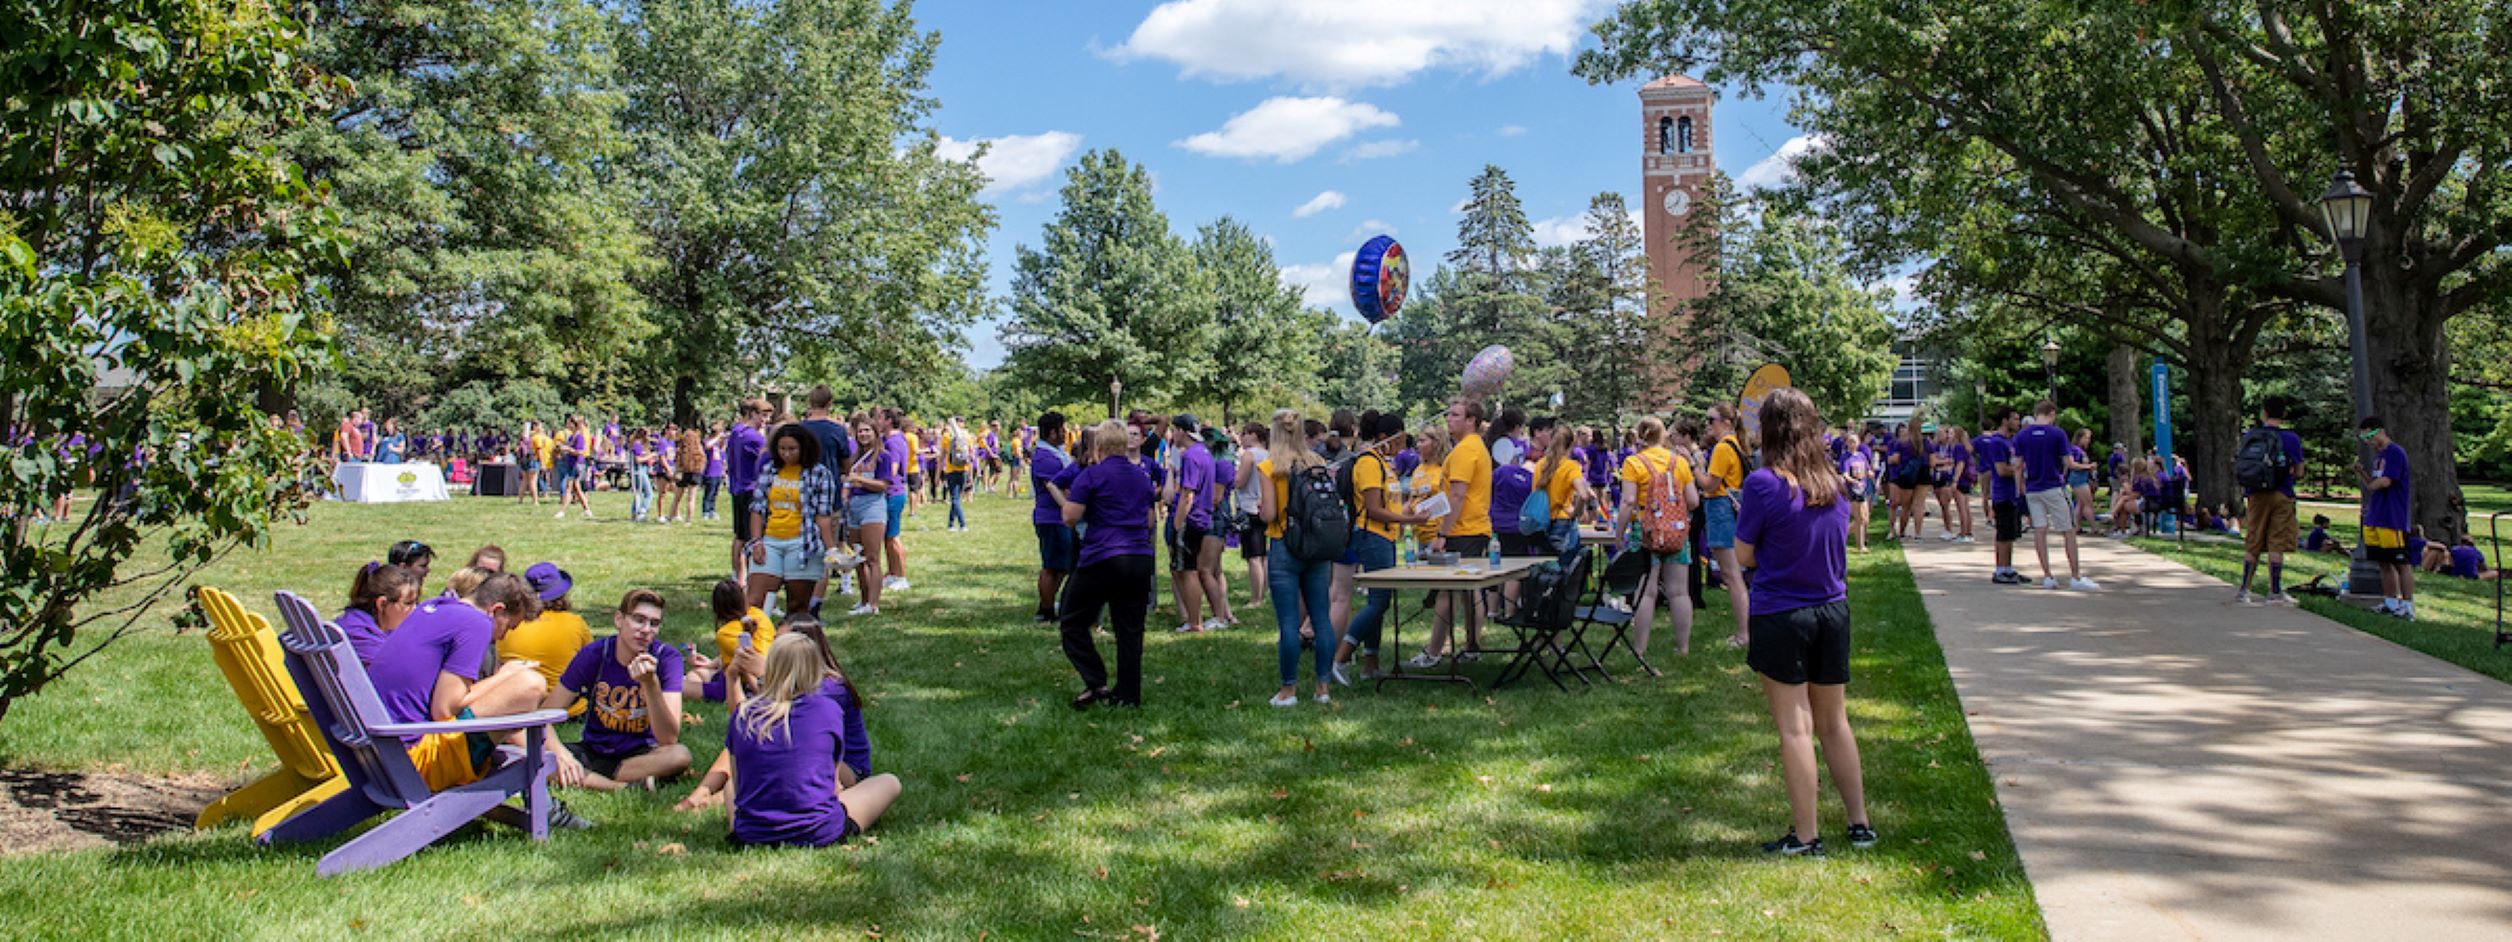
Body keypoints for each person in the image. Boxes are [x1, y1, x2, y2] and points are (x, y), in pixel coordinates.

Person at [1739, 387, 1874, 857]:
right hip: (1832, 610)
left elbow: (1743, 553)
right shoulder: (1834, 483)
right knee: (1835, 722)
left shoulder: (1763, 483)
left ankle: (1807, 835)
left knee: (1796, 728)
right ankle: (1859, 824)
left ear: (1770, 430)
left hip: (1782, 611)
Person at [365, 573, 589, 828]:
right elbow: (444, 709)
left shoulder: (436, 607)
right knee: (530, 685)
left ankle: (545, 805)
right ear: (496, 610)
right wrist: (506, 675)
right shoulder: (476, 623)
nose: (502, 638)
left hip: (381, 753)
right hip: (414, 761)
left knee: (513, 702)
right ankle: (545, 809)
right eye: (508, 627)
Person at [715, 634, 901, 847]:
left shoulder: (743, 713)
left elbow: (739, 784)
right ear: (815, 669)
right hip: (818, 831)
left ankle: (753, 828)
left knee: (729, 786)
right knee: (889, 782)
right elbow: (833, 786)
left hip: (752, 834)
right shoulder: (828, 710)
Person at [678, 614, 877, 811]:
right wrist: (734, 677)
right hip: (801, 750)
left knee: (775, 745)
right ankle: (701, 793)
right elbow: (743, 720)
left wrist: (765, 673)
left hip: (846, 768)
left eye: (781, 644)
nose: (774, 650)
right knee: (753, 734)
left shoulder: (831, 686)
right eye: (774, 642)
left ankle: (717, 796)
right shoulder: (784, 681)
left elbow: (799, 719)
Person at [539, 589, 692, 791]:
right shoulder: (595, 654)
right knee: (534, 756)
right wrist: (560, 753)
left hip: (642, 754)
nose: (646, 630)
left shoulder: (666, 658)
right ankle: (620, 786)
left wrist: (650, 684)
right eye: (639, 620)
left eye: (654, 624)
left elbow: (668, 738)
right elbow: (544, 716)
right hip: (594, 749)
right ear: (619, 620)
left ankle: (590, 777)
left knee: (680, 755)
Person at [1049, 421, 1156, 710]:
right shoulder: (1142, 477)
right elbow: (1148, 520)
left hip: (1102, 556)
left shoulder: (1091, 475)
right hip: (1139, 557)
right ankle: (1128, 696)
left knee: (1071, 620)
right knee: (1130, 629)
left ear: (1099, 446)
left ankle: (1096, 681)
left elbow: (1070, 517)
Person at [1330, 412, 1427, 683]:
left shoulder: (1385, 464)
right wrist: (1409, 520)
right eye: (1400, 437)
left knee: (1380, 600)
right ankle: (1341, 657)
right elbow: (1373, 509)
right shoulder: (1369, 464)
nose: (1403, 443)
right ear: (1385, 437)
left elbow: (1391, 502)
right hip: (1371, 536)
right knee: (1379, 600)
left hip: (1385, 538)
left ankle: (1370, 663)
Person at [1257, 410, 1338, 706]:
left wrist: (1258, 508)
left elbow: (1268, 514)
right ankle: (1323, 687)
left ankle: (1289, 690)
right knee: (1321, 618)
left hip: (1283, 544)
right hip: (1317, 544)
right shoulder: (1317, 462)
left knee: (1289, 623)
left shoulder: (1269, 467)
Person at [1414, 398, 1493, 667]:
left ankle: (1434, 651)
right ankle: (1471, 646)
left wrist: (1443, 534)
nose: (1449, 419)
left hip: (1463, 530)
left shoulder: (1464, 451)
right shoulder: (1474, 447)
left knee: (1449, 591)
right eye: (1449, 414)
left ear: (1471, 420)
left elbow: (1458, 495)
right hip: (1474, 527)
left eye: (1455, 415)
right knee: (1468, 591)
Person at [1615, 417, 1701, 657]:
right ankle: (1683, 647)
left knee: (1646, 591)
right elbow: (1693, 501)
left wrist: (1619, 533)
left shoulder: (1634, 462)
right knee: (1679, 591)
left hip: (1646, 531)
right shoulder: (1678, 462)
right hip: (1676, 531)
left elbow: (1629, 500)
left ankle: (1640, 648)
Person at [749, 422, 842, 616]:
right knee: (755, 602)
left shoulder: (820, 474)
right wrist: (756, 541)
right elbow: (757, 509)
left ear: (804, 448)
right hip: (771, 541)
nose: (786, 454)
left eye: (792, 449)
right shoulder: (770, 470)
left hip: (803, 544)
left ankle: (791, 643)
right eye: (782, 449)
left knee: (797, 606)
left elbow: (822, 516)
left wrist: (831, 549)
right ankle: (756, 643)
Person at [2230, 397, 2307, 604]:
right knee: (2277, 542)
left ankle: (2244, 589)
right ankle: (2275, 591)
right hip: (2282, 494)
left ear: (2263, 412)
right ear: (2283, 415)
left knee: (2253, 540)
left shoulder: (2252, 435)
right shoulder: (2291, 438)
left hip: (2255, 494)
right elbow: (2299, 471)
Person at [2015, 400, 2097, 590]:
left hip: (2033, 488)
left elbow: (2018, 465)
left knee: (2040, 530)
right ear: (2051, 413)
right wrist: (2087, 466)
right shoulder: (2057, 433)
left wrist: (2020, 489)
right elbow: (2069, 463)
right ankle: (2075, 576)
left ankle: (2048, 576)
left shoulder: (2022, 435)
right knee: (2067, 530)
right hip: (2053, 485)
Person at [498, 562, 596, 718]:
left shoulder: (507, 623)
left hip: (512, 705)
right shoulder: (575, 623)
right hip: (564, 709)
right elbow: (593, 665)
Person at [1703, 404, 1755, 645]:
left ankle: (1744, 633)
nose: (1706, 425)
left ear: (1725, 421)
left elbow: (1710, 485)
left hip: (1721, 510)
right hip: (1729, 509)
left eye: (1710, 420)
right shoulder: (1737, 443)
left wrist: (1692, 464)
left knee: (1732, 575)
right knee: (1733, 574)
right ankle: (1746, 630)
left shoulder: (1723, 448)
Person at [1165, 414, 1220, 633]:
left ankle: (1194, 621)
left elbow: (1187, 494)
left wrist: (1178, 523)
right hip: (1203, 518)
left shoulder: (1190, 456)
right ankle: (1194, 618)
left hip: (1191, 519)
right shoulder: (1205, 452)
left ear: (1181, 431)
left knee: (1187, 571)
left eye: (1174, 430)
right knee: (1187, 569)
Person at [2357, 418, 2416, 619]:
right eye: (2364, 438)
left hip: (2392, 517)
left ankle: (2407, 605)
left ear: (2381, 431)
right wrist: (2363, 475)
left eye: (2371, 436)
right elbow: (2373, 484)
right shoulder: (2378, 457)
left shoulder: (2395, 453)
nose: (2369, 441)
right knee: (2383, 562)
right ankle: (2390, 602)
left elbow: (2385, 482)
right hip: (2376, 516)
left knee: (2400, 562)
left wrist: (2373, 484)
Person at [686, 577, 776, 702]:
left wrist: (761, 693)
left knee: (685, 683)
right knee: (701, 672)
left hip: (738, 684)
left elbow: (746, 664)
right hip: (771, 674)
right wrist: (711, 664)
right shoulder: (760, 615)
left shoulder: (725, 633)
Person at [1027, 411, 1076, 625]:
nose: (1066, 434)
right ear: (1052, 432)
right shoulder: (1046, 458)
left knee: (1062, 565)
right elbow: (1058, 488)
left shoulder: (1055, 453)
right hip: (1052, 518)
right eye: (1062, 430)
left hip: (1058, 518)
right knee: (1052, 566)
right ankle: (1045, 610)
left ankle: (1050, 604)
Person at [336, 561, 421, 666]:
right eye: (408, 603)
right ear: (382, 604)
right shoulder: (362, 641)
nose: (415, 610)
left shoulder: (360, 623)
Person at [1977, 408, 2026, 584]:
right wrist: (2018, 468)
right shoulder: (1997, 442)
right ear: (2005, 421)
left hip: (2013, 494)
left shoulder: (2011, 441)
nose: (2018, 423)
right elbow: (2001, 469)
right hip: (2002, 494)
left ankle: (2009, 568)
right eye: (2015, 419)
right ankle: (2000, 570)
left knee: (2011, 534)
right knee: (2003, 534)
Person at [726, 399, 771, 580]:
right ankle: (749, 577)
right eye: (763, 416)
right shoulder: (755, 437)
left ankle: (738, 577)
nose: (766, 420)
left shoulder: (736, 432)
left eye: (768, 416)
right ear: (752, 413)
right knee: (753, 537)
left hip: (737, 487)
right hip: (751, 488)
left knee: (739, 536)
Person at [1234, 423, 1272, 612]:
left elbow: (1240, 481)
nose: (1241, 437)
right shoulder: (1269, 454)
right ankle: (1263, 592)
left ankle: (1256, 597)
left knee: (1253, 556)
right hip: (1266, 506)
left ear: (1253, 435)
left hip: (1249, 507)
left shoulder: (1249, 455)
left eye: (1244, 434)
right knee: (1263, 554)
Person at [881, 408, 914, 594]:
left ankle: (902, 576)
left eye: (880, 418)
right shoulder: (893, 439)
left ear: (888, 421)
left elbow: (892, 470)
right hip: (891, 493)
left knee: (893, 537)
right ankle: (892, 572)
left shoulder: (893, 442)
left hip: (893, 493)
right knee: (887, 537)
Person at [555, 415, 596, 520]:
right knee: (577, 489)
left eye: (569, 423)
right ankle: (587, 510)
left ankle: (562, 511)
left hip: (577, 464)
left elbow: (580, 451)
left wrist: (568, 449)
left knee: (569, 488)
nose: (567, 425)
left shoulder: (579, 437)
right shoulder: (571, 436)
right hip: (570, 464)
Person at [1842, 436, 1873, 552]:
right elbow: (1845, 474)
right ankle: (1861, 546)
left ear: (1858, 443)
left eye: (1854, 442)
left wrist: (1870, 473)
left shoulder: (1861, 456)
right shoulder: (1845, 457)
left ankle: (1842, 534)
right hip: (1853, 490)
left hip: (1863, 488)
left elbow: (1867, 469)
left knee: (1864, 519)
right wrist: (1854, 481)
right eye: (1849, 442)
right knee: (1859, 518)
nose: (1852, 444)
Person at [2067, 428, 2099, 531]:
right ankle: (2094, 527)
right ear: (2079, 438)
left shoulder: (2081, 451)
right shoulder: (2075, 450)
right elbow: (2073, 465)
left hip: (2082, 478)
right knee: (2088, 503)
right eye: (2086, 438)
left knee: (2080, 503)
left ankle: (2077, 526)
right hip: (2078, 479)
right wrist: (2088, 467)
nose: (2087, 440)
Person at [515, 420, 544, 507]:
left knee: (524, 480)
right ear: (535, 426)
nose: (541, 428)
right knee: (533, 481)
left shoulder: (524, 436)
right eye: (540, 426)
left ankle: (520, 499)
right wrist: (542, 463)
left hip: (524, 460)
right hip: (533, 459)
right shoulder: (536, 437)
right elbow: (539, 451)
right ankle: (535, 500)